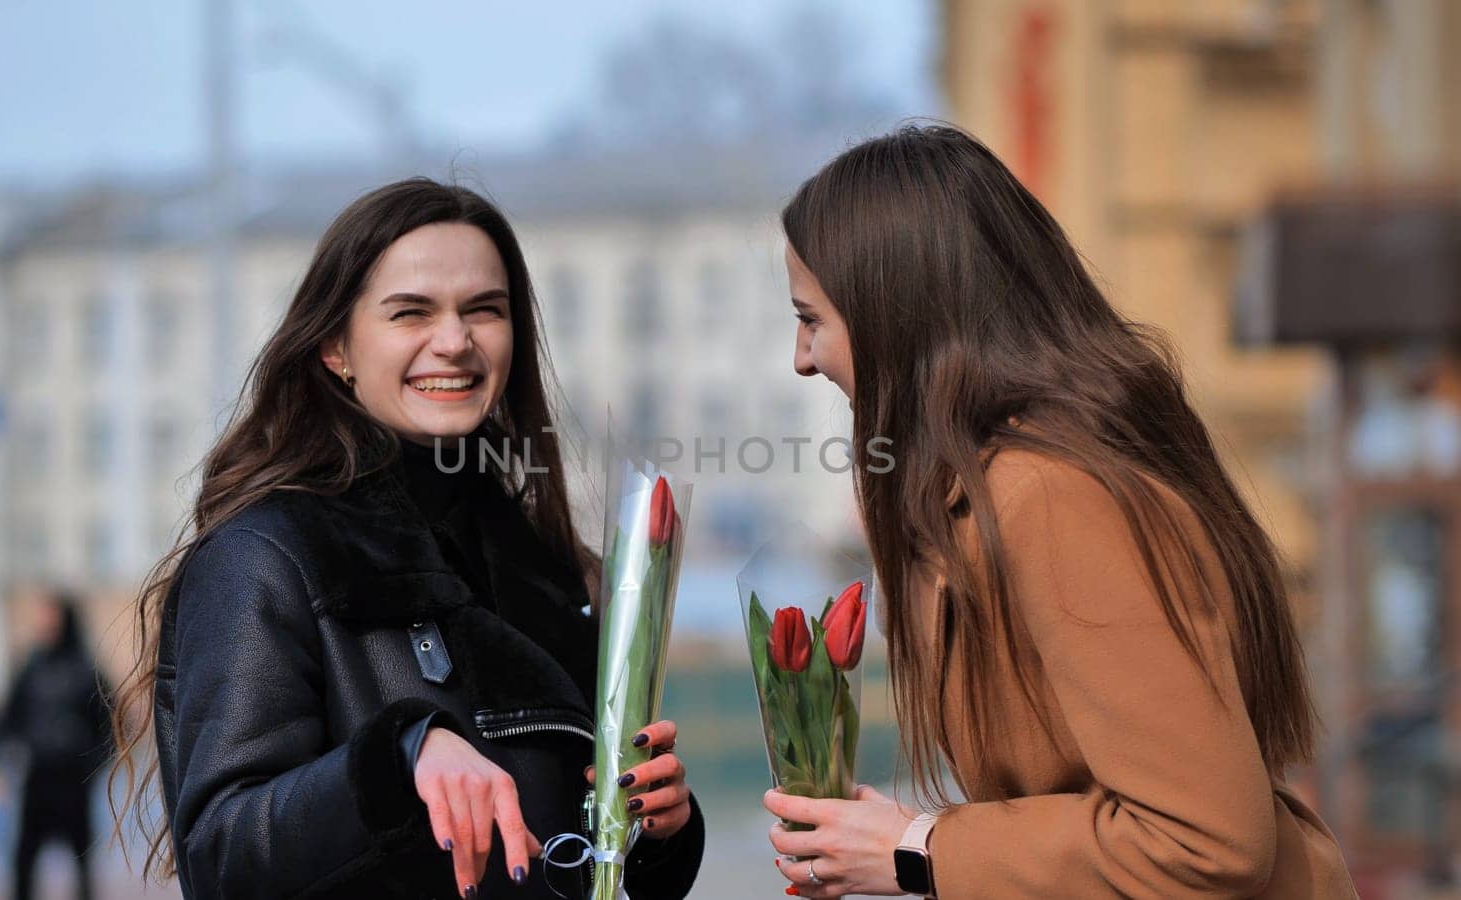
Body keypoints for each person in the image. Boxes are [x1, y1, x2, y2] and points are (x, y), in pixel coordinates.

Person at [762, 124, 1357, 898]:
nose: (802, 358)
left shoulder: (1049, 494)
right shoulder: (994, 490)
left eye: (811, 320)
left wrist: (921, 850)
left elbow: (1200, 838)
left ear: (894, 317)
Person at [109, 178, 703, 899]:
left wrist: (655, 831)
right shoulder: (263, 555)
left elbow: (574, 860)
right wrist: (398, 759)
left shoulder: (542, 561)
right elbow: (224, 853)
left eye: (484, 310)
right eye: (410, 313)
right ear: (335, 346)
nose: (454, 342)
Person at [0, 591, 113, 900]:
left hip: (74, 782)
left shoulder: (87, 670)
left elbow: (111, 728)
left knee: (82, 861)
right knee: (23, 859)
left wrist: (92, 768)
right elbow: (6, 720)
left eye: (51, 616)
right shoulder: (31, 669)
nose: (44, 623)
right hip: (38, 777)